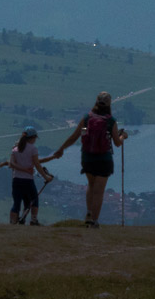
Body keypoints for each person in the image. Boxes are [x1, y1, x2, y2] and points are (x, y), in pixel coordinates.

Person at [52, 91, 127, 227]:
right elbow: (117, 143)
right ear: (109, 104)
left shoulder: (87, 119)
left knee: (91, 186)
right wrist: (123, 137)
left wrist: (61, 149)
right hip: (103, 159)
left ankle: (88, 214)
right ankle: (94, 220)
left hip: (87, 158)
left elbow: (77, 136)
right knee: (99, 192)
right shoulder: (110, 121)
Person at [0, 127, 54, 225]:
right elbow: (37, 165)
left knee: (16, 203)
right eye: (35, 138)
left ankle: (12, 223)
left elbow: (12, 164)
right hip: (28, 180)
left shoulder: (15, 149)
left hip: (16, 180)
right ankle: (33, 220)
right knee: (34, 200)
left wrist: (23, 169)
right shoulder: (33, 149)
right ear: (32, 137)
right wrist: (46, 177)